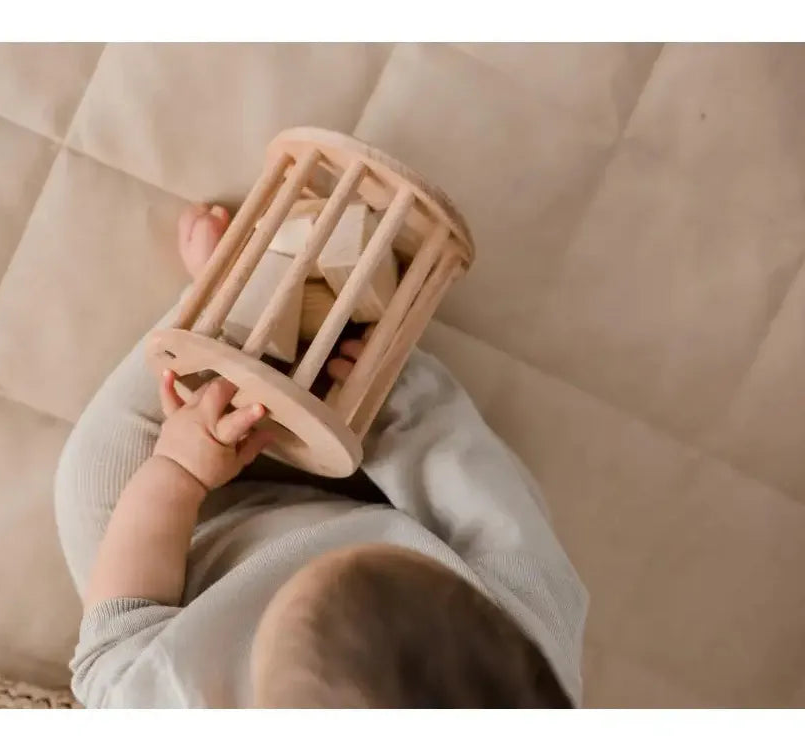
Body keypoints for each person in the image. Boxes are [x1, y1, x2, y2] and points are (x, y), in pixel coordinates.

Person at [54, 203, 588, 708]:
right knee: (481, 496)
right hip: (379, 509)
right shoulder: (531, 639)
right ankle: (329, 344)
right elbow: (487, 510)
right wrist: (399, 396)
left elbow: (114, 638)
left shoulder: (168, 704)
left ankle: (225, 308)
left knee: (92, 477)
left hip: (188, 566)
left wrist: (176, 473)